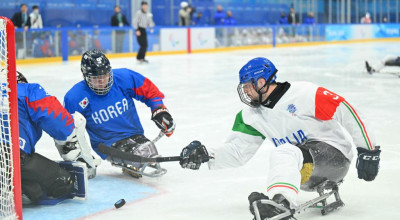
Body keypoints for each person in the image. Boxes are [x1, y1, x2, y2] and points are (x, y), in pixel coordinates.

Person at [179, 57, 381, 219]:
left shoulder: (304, 93)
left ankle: (280, 204)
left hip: (334, 159)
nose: (245, 92)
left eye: (248, 86)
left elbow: (346, 111)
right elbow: (238, 152)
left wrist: (368, 149)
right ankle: (280, 201)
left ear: (261, 82)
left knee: (285, 151)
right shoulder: (250, 116)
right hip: (304, 171)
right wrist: (207, 155)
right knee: (285, 153)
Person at [63, 49, 176, 178]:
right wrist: (81, 156)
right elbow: (68, 130)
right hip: (106, 144)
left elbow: (149, 91)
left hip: (134, 134)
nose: (102, 82)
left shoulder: (124, 77)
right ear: (86, 77)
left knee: (149, 150)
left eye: (105, 75)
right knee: (140, 155)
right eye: (96, 79)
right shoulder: (75, 97)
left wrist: (159, 110)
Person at [15, 71, 97, 204]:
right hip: (13, 158)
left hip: (11, 158)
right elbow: (61, 125)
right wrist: (71, 122)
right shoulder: (27, 90)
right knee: (64, 182)